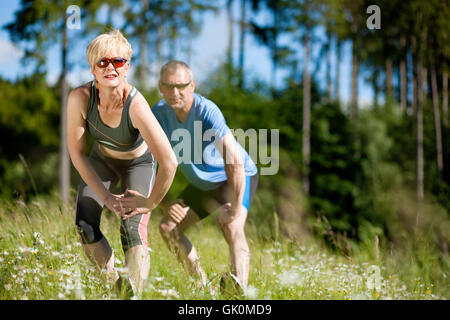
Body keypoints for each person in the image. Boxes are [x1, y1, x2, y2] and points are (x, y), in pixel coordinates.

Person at [123, 60, 258, 294]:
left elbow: (234, 162)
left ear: (192, 85)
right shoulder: (158, 115)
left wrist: (235, 210)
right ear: (160, 87)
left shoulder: (207, 112)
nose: (176, 92)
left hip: (234, 177)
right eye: (169, 86)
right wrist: (163, 201)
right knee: (168, 228)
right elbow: (148, 163)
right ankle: (204, 289)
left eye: (182, 86)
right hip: (201, 183)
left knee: (232, 225)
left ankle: (238, 288)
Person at [66, 30, 177, 298]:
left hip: (138, 163)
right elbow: (77, 154)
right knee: (85, 225)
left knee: (131, 230)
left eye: (117, 61)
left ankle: (133, 294)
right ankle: (115, 285)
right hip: (102, 160)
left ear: (127, 66)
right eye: (102, 62)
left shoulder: (136, 105)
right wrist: (104, 195)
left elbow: (169, 162)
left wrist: (150, 202)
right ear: (92, 68)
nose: (110, 67)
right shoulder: (80, 99)